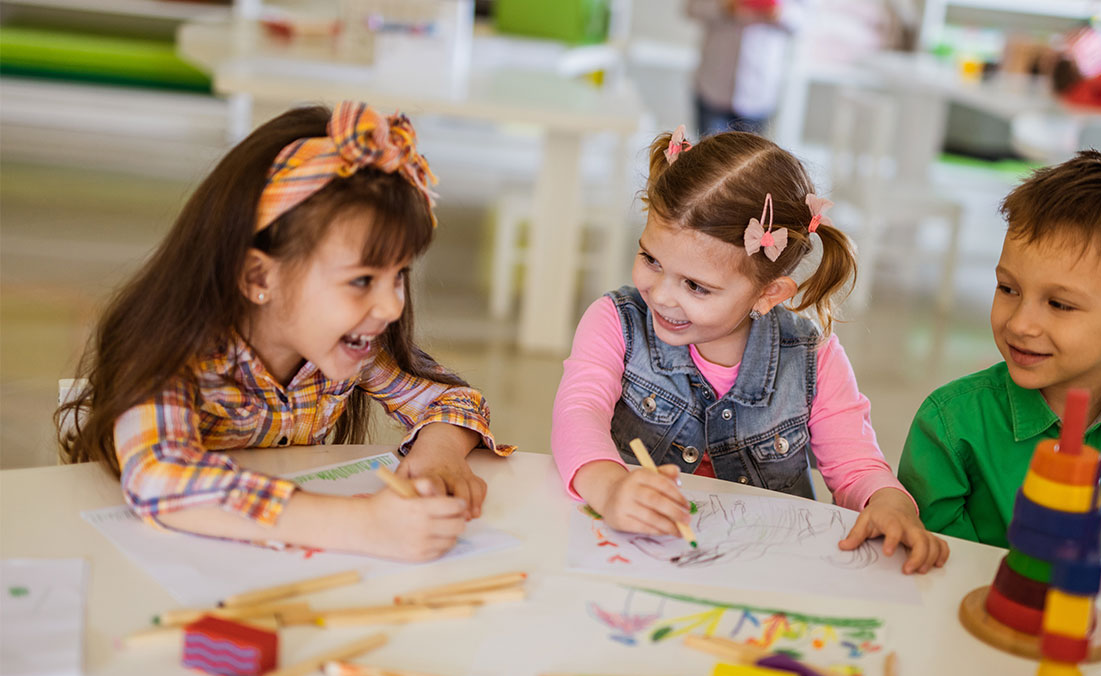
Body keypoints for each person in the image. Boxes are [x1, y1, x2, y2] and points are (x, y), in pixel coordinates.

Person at [57, 102, 512, 562]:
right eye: (361, 280)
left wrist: (440, 454)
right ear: (258, 278)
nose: (394, 305)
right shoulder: (170, 348)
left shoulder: (352, 345)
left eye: (398, 275)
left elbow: (452, 399)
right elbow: (161, 475)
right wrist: (365, 525)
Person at [552, 129, 949, 574]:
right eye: (651, 260)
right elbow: (578, 413)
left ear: (768, 293)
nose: (661, 296)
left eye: (696, 286)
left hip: (764, 572)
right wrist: (609, 488)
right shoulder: (615, 321)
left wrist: (889, 503)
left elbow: (855, 466)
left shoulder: (812, 358)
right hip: (633, 558)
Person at [898, 150, 1101, 579]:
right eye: (1007, 288)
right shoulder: (950, 426)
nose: (1021, 323)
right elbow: (931, 576)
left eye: (1060, 304)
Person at [686, 0, 805, 137]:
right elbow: (692, 7)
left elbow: (806, 20)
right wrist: (726, 7)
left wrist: (780, 13)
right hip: (713, 87)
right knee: (708, 157)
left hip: (759, 92)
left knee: (751, 157)